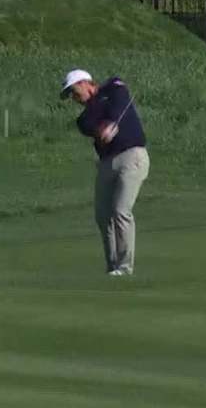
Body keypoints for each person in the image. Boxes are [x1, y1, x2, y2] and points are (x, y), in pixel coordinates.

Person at [61, 69, 150, 277]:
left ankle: (125, 267)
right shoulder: (83, 119)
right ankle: (113, 267)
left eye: (74, 92)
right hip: (106, 163)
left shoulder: (114, 88)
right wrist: (105, 125)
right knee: (103, 216)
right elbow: (91, 124)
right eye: (71, 96)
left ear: (85, 83)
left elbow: (119, 98)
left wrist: (113, 122)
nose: (74, 98)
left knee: (121, 210)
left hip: (132, 156)